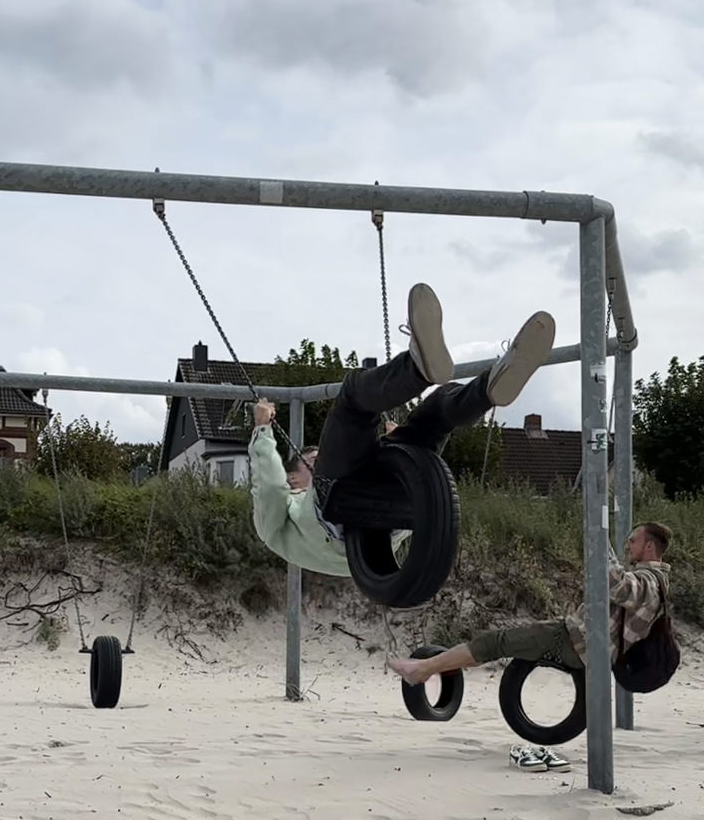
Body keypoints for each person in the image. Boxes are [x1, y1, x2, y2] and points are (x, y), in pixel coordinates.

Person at [248, 282, 555, 572]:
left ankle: (488, 388)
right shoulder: (293, 509)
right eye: (314, 461)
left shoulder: (289, 538)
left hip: (390, 511)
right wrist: (262, 431)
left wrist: (397, 449)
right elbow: (270, 486)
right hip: (338, 508)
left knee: (438, 410)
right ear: (293, 478)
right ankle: (419, 370)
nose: (321, 459)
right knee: (352, 399)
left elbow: (270, 488)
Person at [386, 519, 675, 698]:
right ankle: (429, 668)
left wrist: (601, 540)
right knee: (497, 643)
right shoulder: (658, 582)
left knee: (494, 642)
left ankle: (422, 670)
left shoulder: (650, 582)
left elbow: (616, 585)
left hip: (576, 642)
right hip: (577, 638)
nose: (629, 545)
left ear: (650, 547)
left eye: (634, 540)